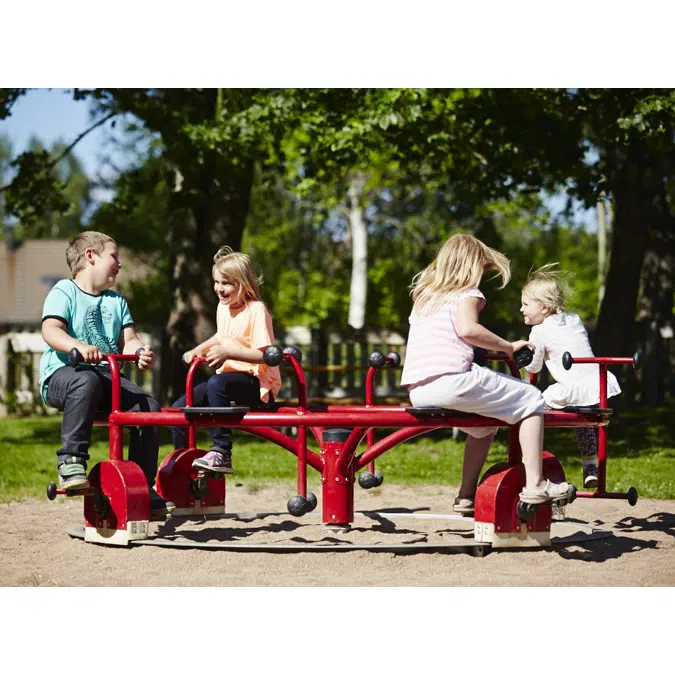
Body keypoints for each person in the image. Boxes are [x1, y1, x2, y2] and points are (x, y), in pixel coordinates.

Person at [400, 233, 575, 515]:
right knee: (531, 398)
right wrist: (508, 347)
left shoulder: (425, 297)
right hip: (452, 379)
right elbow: (468, 329)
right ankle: (536, 484)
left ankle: (465, 495)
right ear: (471, 266)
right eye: (481, 268)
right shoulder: (467, 293)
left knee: (483, 428)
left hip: (418, 389)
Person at [39, 231, 172, 517]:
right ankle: (71, 460)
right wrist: (78, 346)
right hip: (64, 376)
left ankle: (141, 485)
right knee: (85, 380)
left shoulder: (116, 301)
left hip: (105, 379)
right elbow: (51, 330)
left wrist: (140, 352)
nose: (120, 264)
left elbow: (129, 339)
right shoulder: (64, 291)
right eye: (114, 256)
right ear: (90, 256)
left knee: (148, 406)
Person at [171, 246, 282, 474]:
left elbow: (264, 354)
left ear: (244, 284)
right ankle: (182, 464)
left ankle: (221, 451)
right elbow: (221, 336)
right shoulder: (223, 308)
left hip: (257, 382)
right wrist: (197, 350)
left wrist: (228, 353)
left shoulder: (256, 310)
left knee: (216, 383)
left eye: (226, 283)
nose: (219, 289)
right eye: (216, 282)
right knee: (178, 410)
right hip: (228, 382)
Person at [520, 264, 621, 488]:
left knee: (529, 410)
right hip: (597, 384)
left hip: (571, 388)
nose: (521, 309)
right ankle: (590, 466)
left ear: (544, 307)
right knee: (583, 421)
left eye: (525, 304)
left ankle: (527, 459)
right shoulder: (574, 319)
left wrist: (525, 360)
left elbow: (534, 368)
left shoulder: (539, 331)